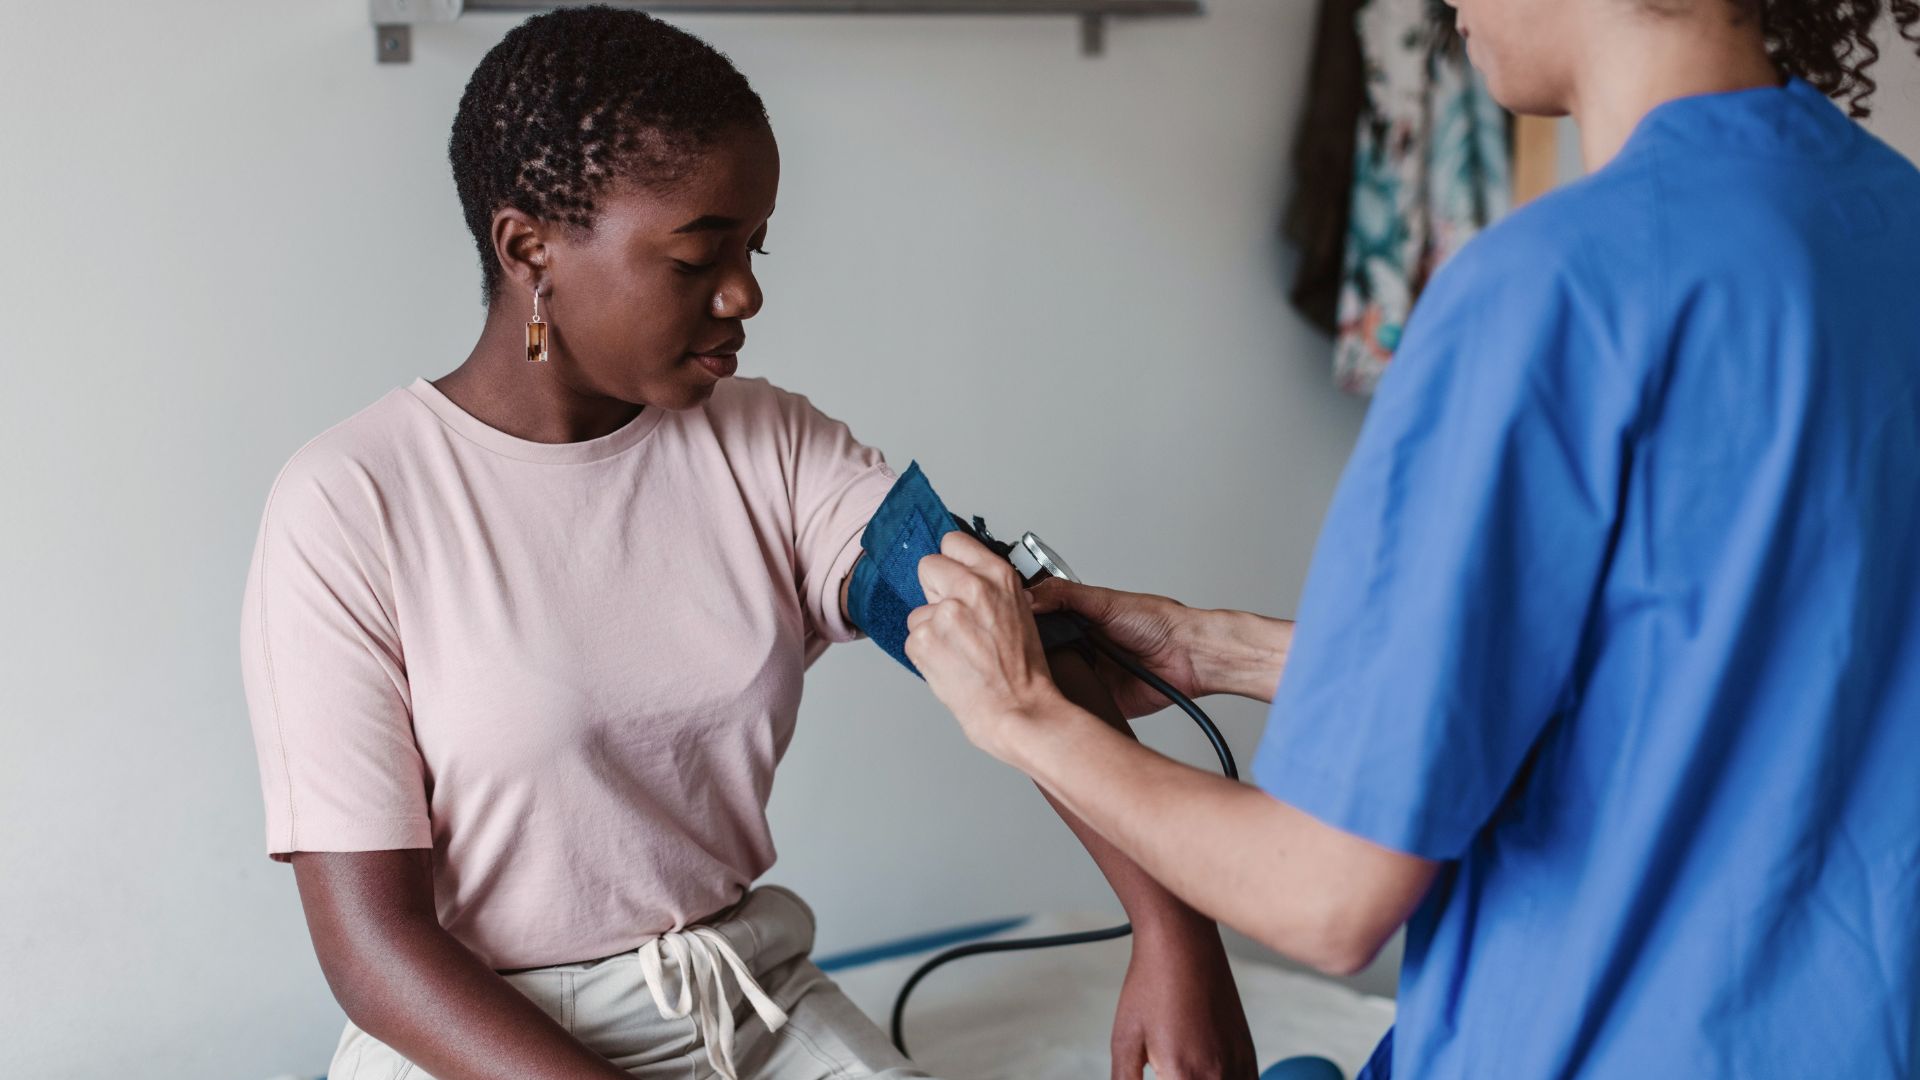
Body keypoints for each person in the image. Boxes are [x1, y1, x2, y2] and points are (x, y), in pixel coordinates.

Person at [904, 0, 1920, 1076]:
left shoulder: (1547, 296)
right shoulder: (1888, 219)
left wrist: (1021, 716)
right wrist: (1220, 649)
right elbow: (1710, 677)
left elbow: (1328, 896)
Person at [238, 8, 1255, 1080]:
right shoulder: (350, 504)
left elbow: (1002, 638)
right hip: (469, 1039)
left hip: (739, 999)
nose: (745, 295)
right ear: (528, 247)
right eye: (695, 256)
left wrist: (1175, 933)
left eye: (753, 247)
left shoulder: (768, 442)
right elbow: (374, 949)